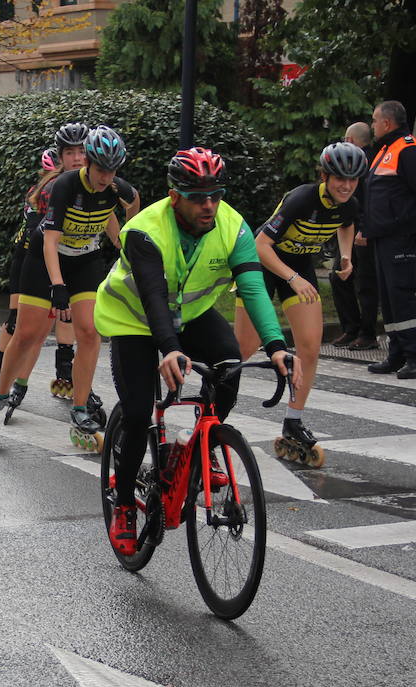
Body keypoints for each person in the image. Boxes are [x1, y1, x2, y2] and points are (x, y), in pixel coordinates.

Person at [93, 147, 292, 554]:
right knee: (135, 413)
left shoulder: (232, 227)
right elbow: (151, 295)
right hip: (133, 319)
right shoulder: (145, 230)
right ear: (174, 195)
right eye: (198, 196)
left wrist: (276, 345)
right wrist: (168, 348)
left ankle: (198, 451)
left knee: (230, 366)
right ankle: (126, 506)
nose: (209, 205)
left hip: (190, 313)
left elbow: (253, 288)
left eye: (216, 194)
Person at [0, 125, 137, 451]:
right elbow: (49, 242)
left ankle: (79, 409)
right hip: (44, 258)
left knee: (90, 332)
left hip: (85, 260)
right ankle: (2, 394)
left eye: (113, 171)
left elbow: (123, 213)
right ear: (88, 163)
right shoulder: (63, 185)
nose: (106, 177)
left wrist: (129, 248)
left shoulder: (117, 187)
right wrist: (58, 286)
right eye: (101, 169)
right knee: (28, 334)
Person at [239, 141, 365, 466]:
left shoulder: (349, 203)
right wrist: (292, 278)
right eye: (339, 178)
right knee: (243, 349)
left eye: (353, 179)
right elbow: (260, 245)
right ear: (324, 175)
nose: (346, 185)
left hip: (299, 266)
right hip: (263, 265)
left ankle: (293, 422)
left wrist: (346, 256)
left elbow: (347, 224)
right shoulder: (302, 198)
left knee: (310, 348)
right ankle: (210, 411)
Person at [0, 125, 88, 407]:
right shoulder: (49, 189)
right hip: (33, 256)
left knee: (74, 321)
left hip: (70, 258)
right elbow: (40, 240)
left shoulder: (96, 183)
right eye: (70, 152)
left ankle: (69, 374)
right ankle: (2, 372)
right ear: (61, 157)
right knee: (25, 328)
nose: (77, 158)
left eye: (81, 151)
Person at [363, 99, 416, 379]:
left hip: (401, 236)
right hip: (384, 236)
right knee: (389, 298)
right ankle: (396, 353)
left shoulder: (408, 150)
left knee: (402, 296)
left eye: (374, 120)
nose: (372, 125)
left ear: (386, 123)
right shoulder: (386, 149)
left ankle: (415, 356)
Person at [330, 121, 381, 350]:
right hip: (349, 228)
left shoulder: (367, 163)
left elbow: (370, 200)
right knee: (340, 276)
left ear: (349, 141)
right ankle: (351, 329)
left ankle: (366, 333)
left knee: (364, 283)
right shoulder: (363, 160)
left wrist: (365, 228)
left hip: (361, 231)